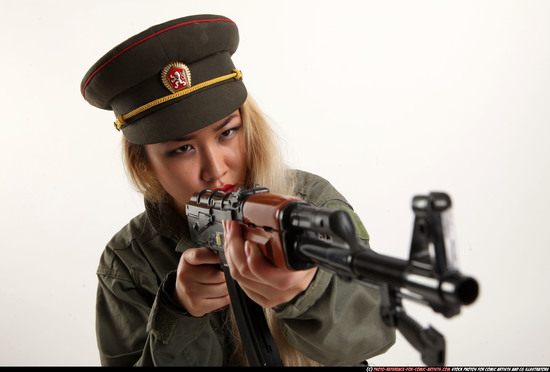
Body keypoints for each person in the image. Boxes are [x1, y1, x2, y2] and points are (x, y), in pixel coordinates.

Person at [80, 14, 395, 366]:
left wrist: (306, 294)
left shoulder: (311, 202)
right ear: (145, 163)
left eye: (227, 132)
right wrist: (179, 310)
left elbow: (375, 335)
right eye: (182, 149)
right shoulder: (128, 261)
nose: (215, 169)